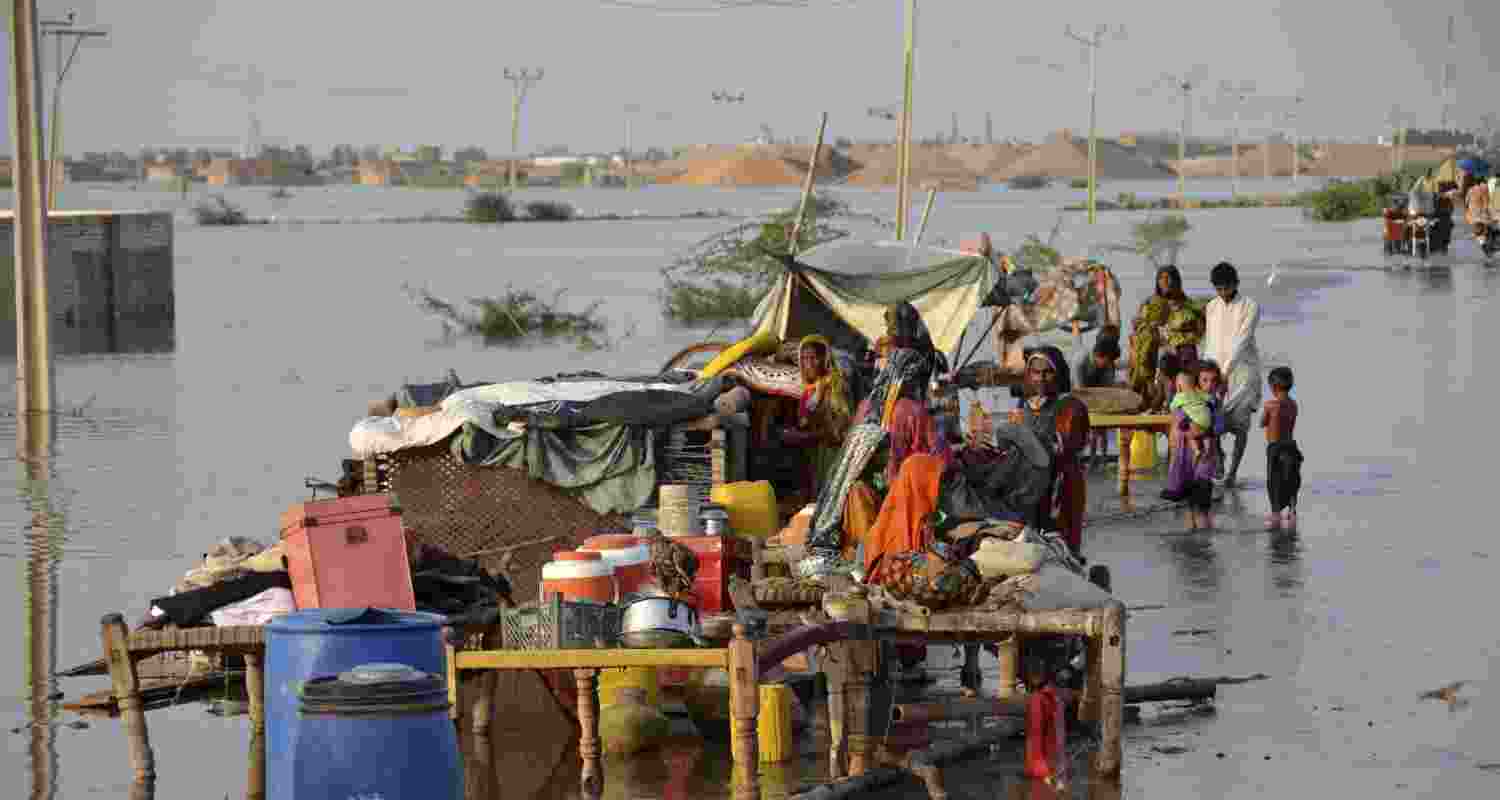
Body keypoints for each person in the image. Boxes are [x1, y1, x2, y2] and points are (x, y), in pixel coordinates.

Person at [1007, 347, 1091, 558]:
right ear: (1028, 374)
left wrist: (1024, 437)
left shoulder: (1071, 406)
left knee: (1062, 545)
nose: (1041, 378)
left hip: (1062, 486)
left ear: (1059, 373)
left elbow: (1065, 444)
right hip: (1029, 486)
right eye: (1036, 372)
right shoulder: (1023, 408)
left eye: (1048, 372)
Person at [1200, 261, 1262, 488]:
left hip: (1243, 374)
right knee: (1213, 423)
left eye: (1226, 287)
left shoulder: (1250, 306)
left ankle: (1233, 473)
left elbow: (1242, 340)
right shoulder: (1211, 307)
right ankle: (1219, 461)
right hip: (1216, 374)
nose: (1223, 293)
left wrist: (1226, 372)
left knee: (1240, 425)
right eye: (1218, 288)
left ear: (1236, 284)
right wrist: (1207, 372)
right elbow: (1210, 342)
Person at [782, 335, 851, 495]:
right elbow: (804, 421)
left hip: (834, 451)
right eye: (804, 359)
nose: (809, 364)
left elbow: (841, 424)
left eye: (813, 358)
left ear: (824, 359)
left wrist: (804, 435)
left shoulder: (836, 386)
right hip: (815, 451)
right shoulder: (808, 391)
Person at [1128, 265, 1204, 400]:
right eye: (1161, 278)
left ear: (1176, 281)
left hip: (1181, 354)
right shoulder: (1150, 304)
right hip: (1152, 354)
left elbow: (1199, 330)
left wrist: (1179, 334)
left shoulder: (1189, 306)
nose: (1165, 281)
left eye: (1169, 278)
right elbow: (1138, 329)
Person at [1164, 368, 1218, 530]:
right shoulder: (1205, 401)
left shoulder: (1206, 403)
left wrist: (1195, 430)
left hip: (1201, 464)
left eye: (1213, 381)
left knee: (1201, 507)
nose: (1209, 385)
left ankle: (1202, 542)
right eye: (1205, 380)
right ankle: (1200, 542)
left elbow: (1219, 426)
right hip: (1187, 463)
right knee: (1192, 507)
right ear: (1196, 383)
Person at [1261, 366, 1303, 530]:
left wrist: (1266, 415)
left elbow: (1262, 423)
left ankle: (1276, 513)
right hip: (1291, 445)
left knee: (1274, 479)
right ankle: (1292, 510)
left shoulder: (1271, 404)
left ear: (1272, 387)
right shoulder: (1294, 405)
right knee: (1292, 477)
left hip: (1275, 446)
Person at [1022, 655, 1068, 789]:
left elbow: (1036, 735)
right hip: (1058, 766)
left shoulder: (1038, 699)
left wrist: (1040, 768)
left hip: (1043, 768)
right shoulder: (1057, 697)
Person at [1074, 335, 1121, 463]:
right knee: (1088, 431)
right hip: (1078, 397)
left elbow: (1108, 389)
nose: (1110, 365)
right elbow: (1079, 391)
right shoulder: (1080, 360)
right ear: (1100, 355)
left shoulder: (1108, 365)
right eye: (1108, 362)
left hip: (1098, 398)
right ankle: (1083, 458)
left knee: (1102, 429)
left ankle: (1103, 458)